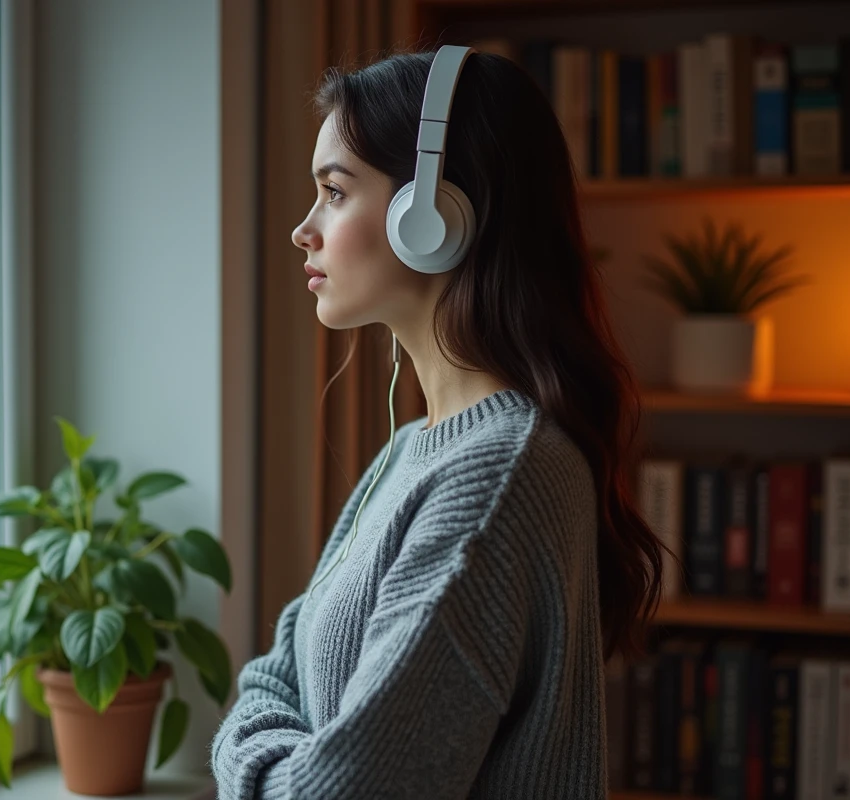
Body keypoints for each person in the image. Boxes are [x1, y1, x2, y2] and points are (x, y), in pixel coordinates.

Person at [209, 46, 665, 800]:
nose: (303, 229)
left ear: (431, 215)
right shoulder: (409, 453)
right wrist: (273, 739)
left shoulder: (499, 479)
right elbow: (274, 673)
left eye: (334, 191)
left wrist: (246, 749)